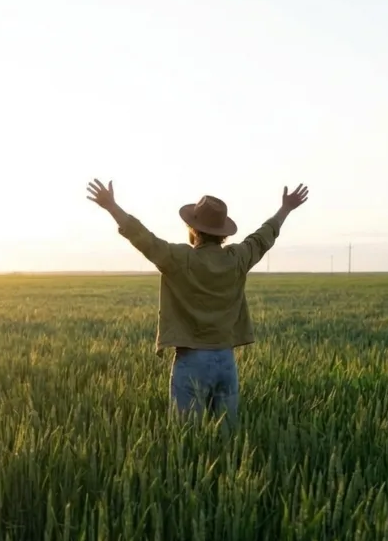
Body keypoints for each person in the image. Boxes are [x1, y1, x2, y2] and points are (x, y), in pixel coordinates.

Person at [85, 179, 309, 424]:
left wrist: (112, 207)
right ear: (223, 235)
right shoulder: (237, 258)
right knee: (226, 442)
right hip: (226, 361)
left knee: (189, 443)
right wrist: (286, 208)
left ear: (193, 229)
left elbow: (143, 238)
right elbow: (263, 237)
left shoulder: (179, 258)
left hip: (191, 361)